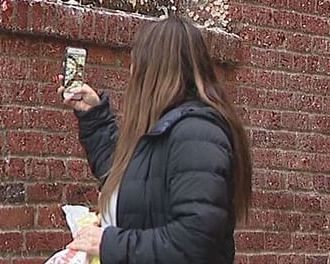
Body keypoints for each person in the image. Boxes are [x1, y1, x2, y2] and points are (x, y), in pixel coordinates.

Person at [57, 15, 252, 263]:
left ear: (153, 70)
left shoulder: (196, 135)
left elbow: (195, 243)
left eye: (135, 63)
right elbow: (126, 176)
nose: (131, 72)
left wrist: (109, 243)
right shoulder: (167, 129)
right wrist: (93, 116)